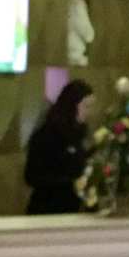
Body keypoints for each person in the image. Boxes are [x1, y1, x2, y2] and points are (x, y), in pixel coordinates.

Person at [25, 80, 95, 214]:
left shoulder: (78, 133)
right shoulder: (47, 135)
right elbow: (32, 176)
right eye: (86, 106)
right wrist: (71, 183)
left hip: (71, 209)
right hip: (47, 210)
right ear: (72, 105)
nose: (89, 112)